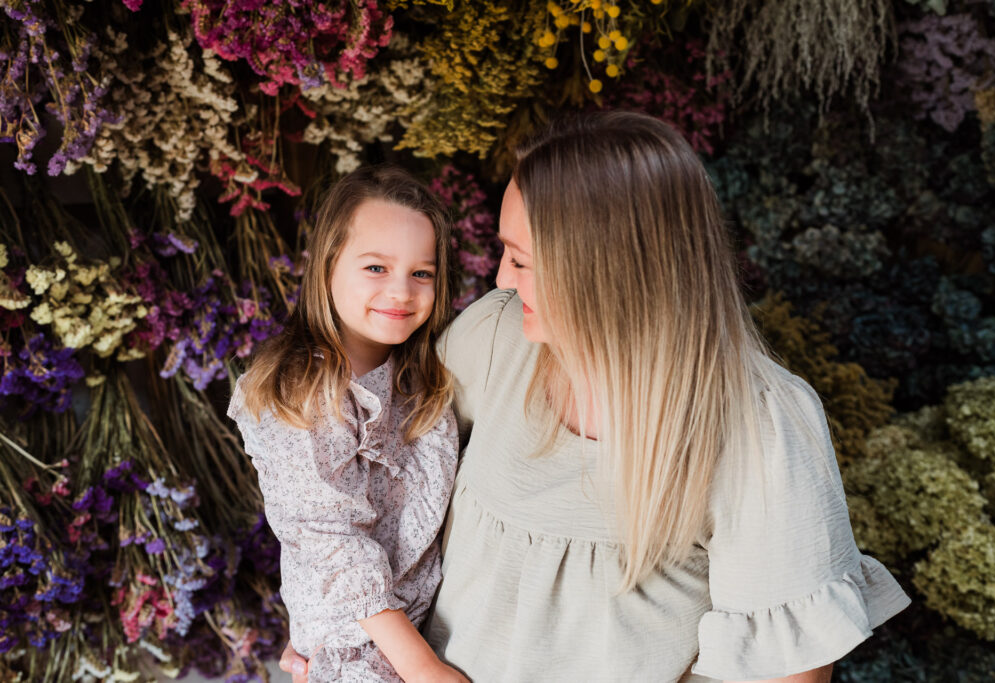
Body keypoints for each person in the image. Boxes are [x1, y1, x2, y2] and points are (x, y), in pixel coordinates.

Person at [280, 112, 911, 682]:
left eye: (521, 261)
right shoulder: (498, 337)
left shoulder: (760, 427)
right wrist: (336, 631)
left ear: (607, 268)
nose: (500, 279)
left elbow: (786, 677)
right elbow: (355, 489)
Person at [228, 166, 469, 682]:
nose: (402, 291)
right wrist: (424, 670)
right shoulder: (296, 389)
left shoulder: (421, 376)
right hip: (356, 648)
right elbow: (330, 539)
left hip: (424, 626)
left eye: (421, 273)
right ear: (328, 266)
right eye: (377, 268)